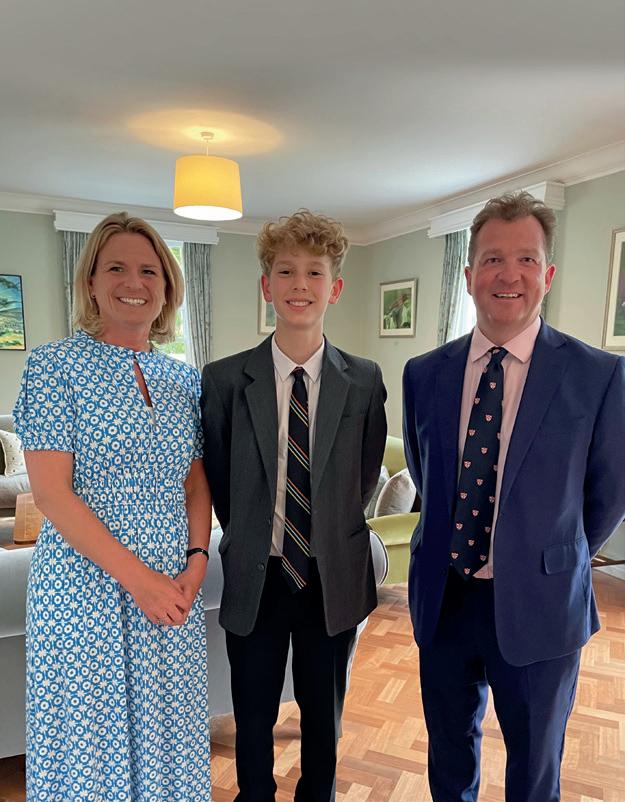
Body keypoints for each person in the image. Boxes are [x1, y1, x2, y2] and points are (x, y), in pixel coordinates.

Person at [402, 191, 625, 801]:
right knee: (449, 758)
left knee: (534, 768)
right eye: (493, 259)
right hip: (445, 599)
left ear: (547, 276)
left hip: (542, 603)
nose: (509, 275)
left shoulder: (598, 376)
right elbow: (426, 472)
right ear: (469, 274)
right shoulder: (424, 373)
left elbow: (607, 493)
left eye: (526, 259)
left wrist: (548, 553)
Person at [13, 213, 212, 801]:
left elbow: (196, 484)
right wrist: (140, 580)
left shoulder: (184, 379)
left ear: (168, 287)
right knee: (90, 751)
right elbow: (52, 493)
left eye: (150, 271)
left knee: (169, 735)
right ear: (91, 283)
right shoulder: (53, 366)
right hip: (84, 590)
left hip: (172, 589)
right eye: (117, 268)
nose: (134, 282)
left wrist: (197, 561)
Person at [201, 209, 387, 801]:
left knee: (322, 717)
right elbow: (221, 479)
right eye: (285, 271)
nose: (299, 284)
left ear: (335, 287)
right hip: (257, 575)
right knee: (253, 711)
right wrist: (254, 534)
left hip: (332, 577)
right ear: (266, 286)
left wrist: (326, 532)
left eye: (314, 272)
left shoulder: (364, 380)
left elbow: (363, 477)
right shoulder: (224, 380)